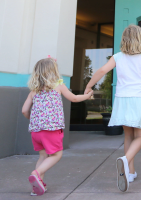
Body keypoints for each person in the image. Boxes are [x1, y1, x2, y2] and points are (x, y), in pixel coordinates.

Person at [84, 25, 141, 192]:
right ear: (140, 40)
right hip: (137, 100)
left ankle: (130, 173)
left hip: (122, 100)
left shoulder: (117, 57)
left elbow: (102, 70)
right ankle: (126, 160)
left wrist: (89, 86)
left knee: (129, 135)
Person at [22, 57, 93, 196]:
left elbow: (24, 110)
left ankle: (37, 187)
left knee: (42, 156)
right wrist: (87, 96)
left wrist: (34, 120)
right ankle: (36, 173)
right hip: (51, 130)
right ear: (53, 72)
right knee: (56, 154)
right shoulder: (58, 86)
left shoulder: (33, 91)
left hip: (36, 131)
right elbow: (73, 98)